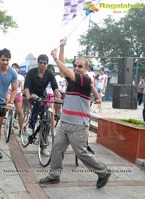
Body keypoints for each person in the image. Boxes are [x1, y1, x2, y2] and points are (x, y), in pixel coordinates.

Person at [38, 40, 110, 189]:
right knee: (57, 149)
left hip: (78, 125)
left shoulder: (86, 80)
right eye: (75, 66)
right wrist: (63, 48)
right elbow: (65, 70)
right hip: (65, 122)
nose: (76, 68)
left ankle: (103, 172)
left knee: (82, 153)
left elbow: (65, 69)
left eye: (80, 66)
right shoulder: (72, 80)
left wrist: (55, 58)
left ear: (87, 68)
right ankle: (54, 175)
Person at [24, 54, 62, 136]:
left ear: (47, 64)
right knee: (37, 104)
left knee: (46, 110)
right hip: (31, 94)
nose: (42, 65)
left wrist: (58, 97)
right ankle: (31, 126)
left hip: (42, 95)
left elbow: (55, 86)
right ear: (38, 63)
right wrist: (29, 97)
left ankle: (44, 129)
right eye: (40, 63)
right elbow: (26, 86)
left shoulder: (49, 74)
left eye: (44, 63)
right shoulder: (31, 72)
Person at [6, 63, 24, 136]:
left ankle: (21, 129)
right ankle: (8, 123)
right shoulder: (8, 75)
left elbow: (22, 85)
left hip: (18, 94)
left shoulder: (21, 77)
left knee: (19, 112)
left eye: (16, 68)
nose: (15, 69)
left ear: (18, 69)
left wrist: (22, 88)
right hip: (9, 93)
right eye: (13, 67)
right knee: (7, 107)